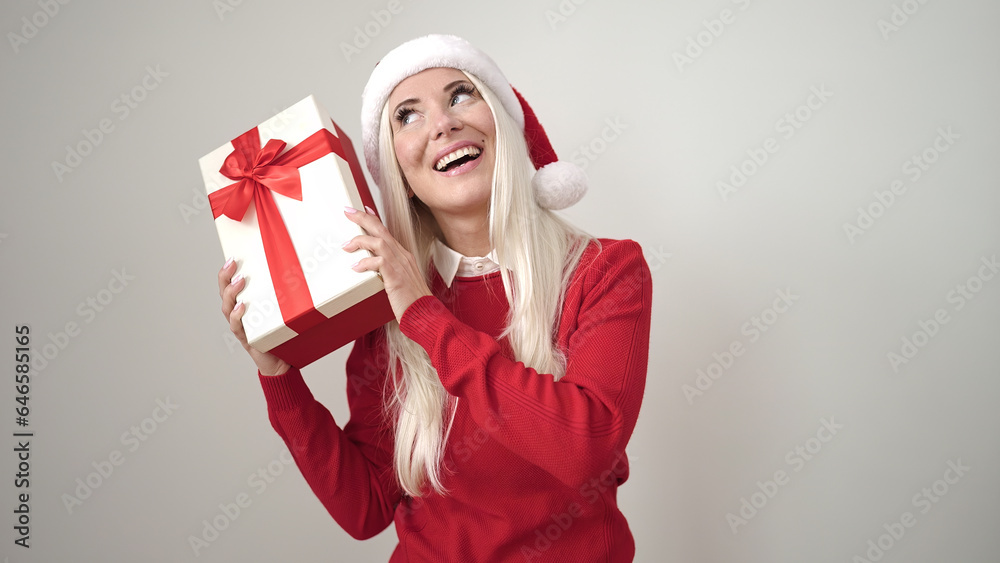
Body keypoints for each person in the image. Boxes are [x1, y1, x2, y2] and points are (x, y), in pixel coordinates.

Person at [218, 34, 652, 562]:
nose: (443, 124)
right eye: (407, 115)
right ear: (396, 171)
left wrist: (423, 314)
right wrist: (278, 376)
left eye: (461, 95)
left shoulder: (605, 271)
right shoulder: (386, 310)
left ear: (504, 125)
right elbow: (366, 508)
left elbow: (586, 447)